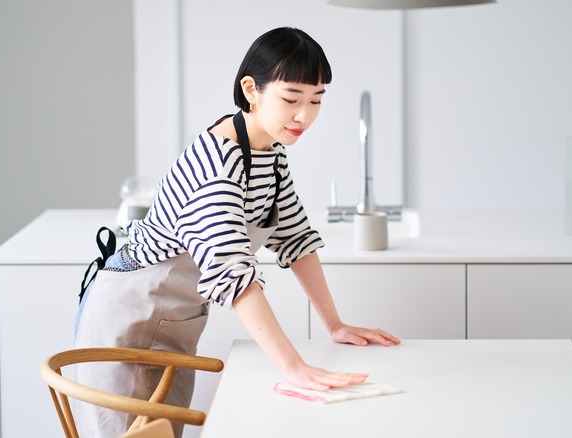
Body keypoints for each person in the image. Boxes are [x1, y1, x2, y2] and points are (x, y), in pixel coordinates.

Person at [72, 26, 400, 437]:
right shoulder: (218, 168)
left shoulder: (270, 151)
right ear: (251, 89)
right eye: (291, 99)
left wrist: (334, 324)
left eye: (316, 100)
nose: (305, 115)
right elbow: (234, 276)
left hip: (173, 321)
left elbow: (295, 238)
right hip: (129, 319)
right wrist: (293, 367)